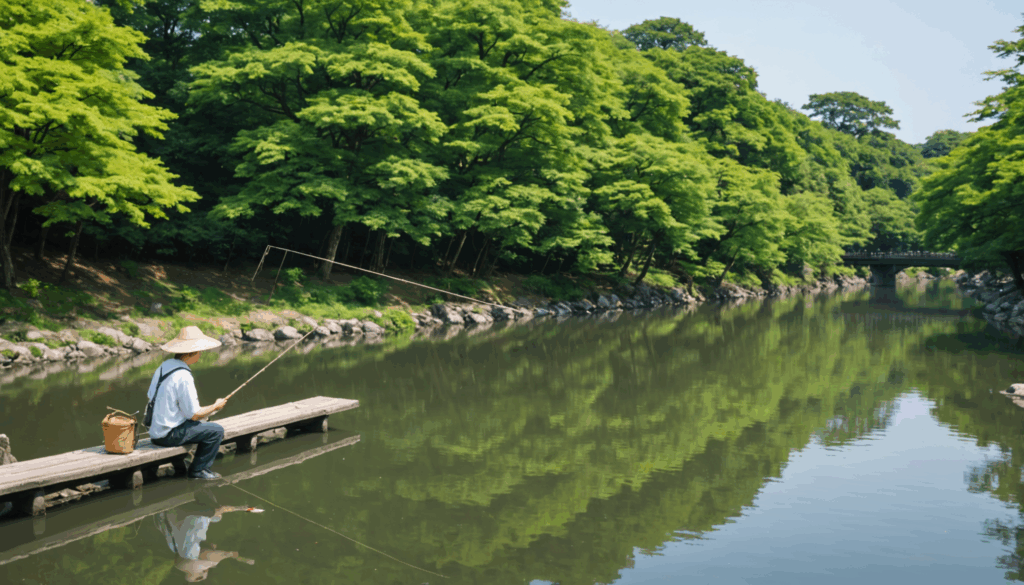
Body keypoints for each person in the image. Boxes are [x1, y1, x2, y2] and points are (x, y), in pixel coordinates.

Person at [148, 326, 229, 480]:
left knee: (206, 423)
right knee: (216, 431)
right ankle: (199, 471)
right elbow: (194, 415)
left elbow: (152, 396)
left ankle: (190, 464)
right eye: (199, 351)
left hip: (155, 432)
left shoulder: (164, 367)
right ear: (193, 352)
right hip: (168, 435)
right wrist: (216, 406)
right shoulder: (183, 375)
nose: (200, 354)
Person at [155, 489, 255, 582]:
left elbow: (208, 555)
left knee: (215, 510)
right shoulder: (177, 548)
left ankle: (197, 485)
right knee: (217, 517)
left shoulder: (189, 553)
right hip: (174, 514)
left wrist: (230, 554)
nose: (215, 547)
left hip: (180, 510)